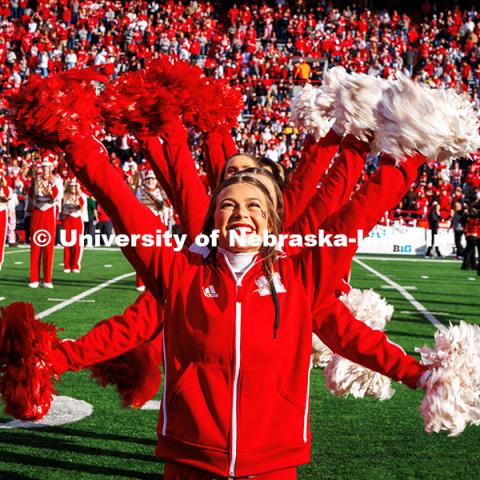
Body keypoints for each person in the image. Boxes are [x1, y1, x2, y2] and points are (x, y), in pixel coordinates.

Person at [53, 127, 429, 479]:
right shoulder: (181, 272)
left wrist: (417, 373)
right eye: (228, 205)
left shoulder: (300, 277)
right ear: (212, 218)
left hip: (274, 462)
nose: (241, 213)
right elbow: (122, 205)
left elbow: (357, 216)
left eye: (254, 206)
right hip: (190, 457)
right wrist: (75, 143)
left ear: (272, 220)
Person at [28, 157, 59, 288]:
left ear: (51, 168)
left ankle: (47, 279)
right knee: (35, 246)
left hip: (49, 212)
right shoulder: (36, 180)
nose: (45, 169)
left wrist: (52, 184)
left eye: (48, 166)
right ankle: (34, 279)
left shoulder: (57, 180)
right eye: (44, 166)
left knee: (48, 247)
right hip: (37, 211)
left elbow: (56, 197)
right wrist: (33, 183)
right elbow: (30, 194)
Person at [61, 178, 86, 273]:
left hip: (77, 219)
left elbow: (79, 206)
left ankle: (75, 265)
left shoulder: (81, 196)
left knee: (77, 244)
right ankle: (67, 265)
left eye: (75, 186)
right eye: (71, 186)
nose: (73, 188)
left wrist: (77, 197)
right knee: (67, 243)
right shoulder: (65, 195)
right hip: (67, 219)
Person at [0, 165, 12, 270]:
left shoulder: (5, 188)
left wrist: (4, 185)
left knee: (0, 238)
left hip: (1, 211)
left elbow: (6, 198)